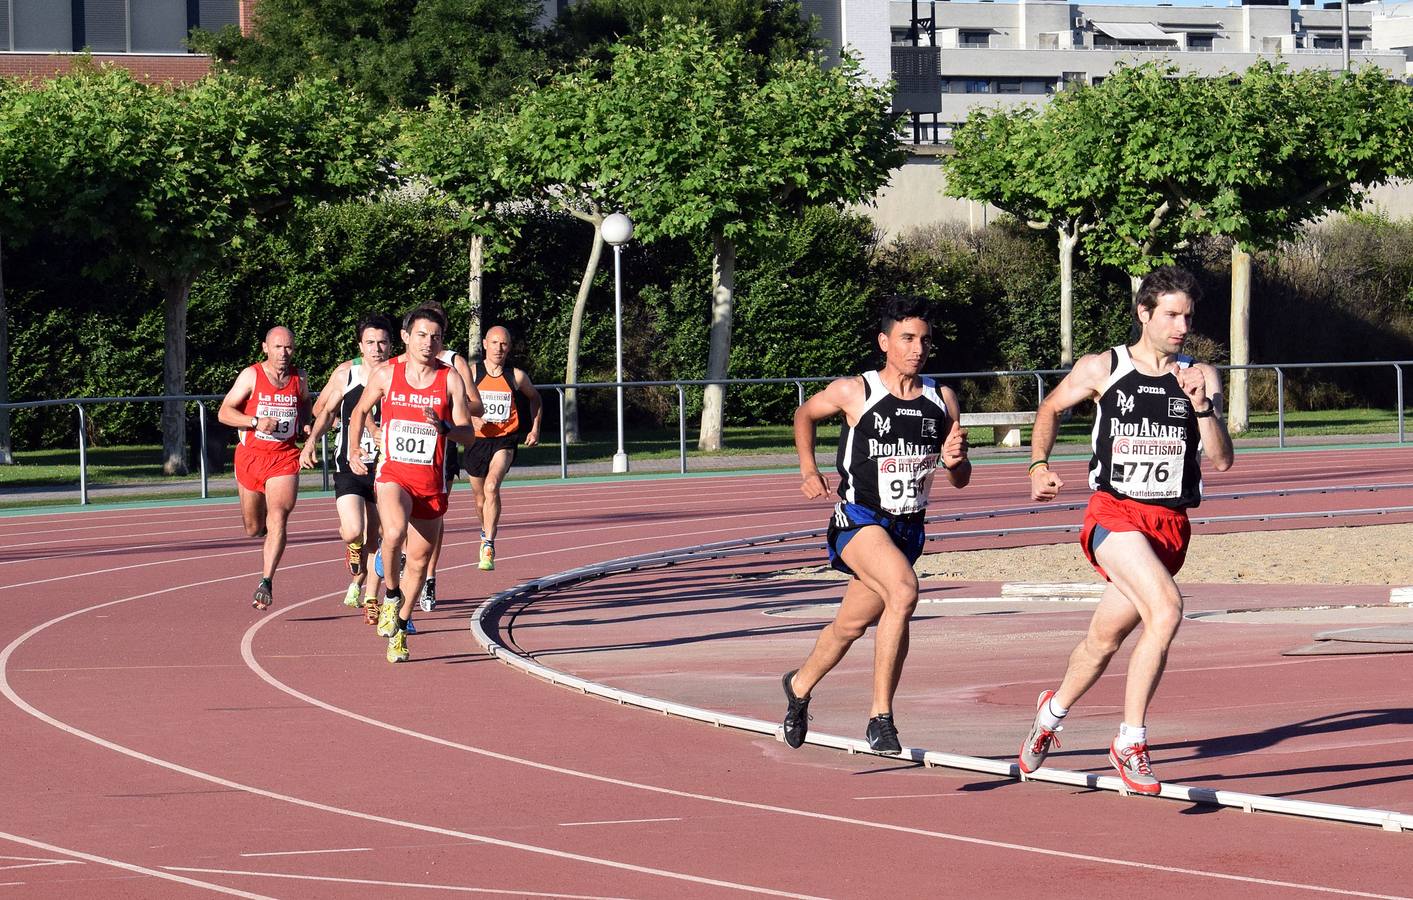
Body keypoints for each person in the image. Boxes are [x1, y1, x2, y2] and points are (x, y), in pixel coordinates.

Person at [1018, 266, 1233, 795]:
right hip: (1114, 514)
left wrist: (1202, 406)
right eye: (1171, 315)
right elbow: (1049, 407)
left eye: (1187, 315)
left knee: (1103, 639)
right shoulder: (1103, 367)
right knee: (1167, 610)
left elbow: (1223, 460)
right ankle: (1130, 740)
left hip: (1170, 526)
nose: (1182, 325)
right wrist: (1038, 464)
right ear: (1144, 313)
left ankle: (1050, 715)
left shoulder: (1200, 374)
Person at [780, 296, 970, 754]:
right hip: (858, 519)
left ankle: (799, 687)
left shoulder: (941, 399)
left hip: (907, 530)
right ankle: (880, 717)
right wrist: (809, 469)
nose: (917, 348)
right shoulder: (856, 391)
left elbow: (960, 479)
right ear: (885, 342)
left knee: (849, 626)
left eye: (924, 340)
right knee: (903, 592)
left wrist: (954, 461)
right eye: (907, 338)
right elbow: (804, 414)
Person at [347, 305, 477, 663]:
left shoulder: (449, 378)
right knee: (392, 532)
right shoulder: (388, 374)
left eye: (435, 336)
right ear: (405, 337)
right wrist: (355, 447)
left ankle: (401, 627)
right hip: (393, 474)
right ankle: (390, 595)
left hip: (431, 482)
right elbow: (359, 411)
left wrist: (445, 428)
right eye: (421, 334)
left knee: (419, 562)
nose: (428, 342)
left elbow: (469, 433)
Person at [300, 315, 394, 625]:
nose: (377, 348)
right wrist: (312, 441)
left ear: (391, 345)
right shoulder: (347, 374)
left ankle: (371, 597)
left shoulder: (400, 376)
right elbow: (322, 410)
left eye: (382, 342)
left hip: (386, 468)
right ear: (360, 346)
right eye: (370, 343)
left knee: (377, 538)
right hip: (349, 465)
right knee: (355, 531)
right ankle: (351, 547)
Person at [218, 326, 310, 610]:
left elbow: (305, 403)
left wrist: (305, 423)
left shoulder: (299, 377)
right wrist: (256, 422)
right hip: (251, 458)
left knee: (279, 517)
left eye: (289, 348)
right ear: (265, 348)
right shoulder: (251, 375)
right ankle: (261, 532)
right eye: (279, 347)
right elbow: (224, 412)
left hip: (284, 458)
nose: (284, 353)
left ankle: (266, 581)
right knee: (253, 527)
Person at [465, 325, 541, 572]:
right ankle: (485, 531)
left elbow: (535, 398)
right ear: (485, 344)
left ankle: (488, 543)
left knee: (491, 486)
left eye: (504, 344)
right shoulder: (471, 373)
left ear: (509, 347)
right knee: (479, 500)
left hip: (505, 440)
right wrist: (472, 418)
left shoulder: (516, 376)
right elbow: (456, 401)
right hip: (476, 441)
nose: (499, 348)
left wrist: (534, 428)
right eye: (495, 343)